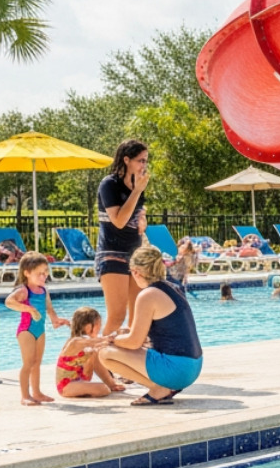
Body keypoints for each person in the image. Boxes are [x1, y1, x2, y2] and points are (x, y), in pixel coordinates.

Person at [98, 246, 204, 406]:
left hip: (177, 369)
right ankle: (163, 388)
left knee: (105, 353)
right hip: (193, 366)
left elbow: (134, 342)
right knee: (120, 344)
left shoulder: (148, 295)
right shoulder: (171, 288)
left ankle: (158, 388)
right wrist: (123, 336)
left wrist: (111, 340)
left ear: (135, 272)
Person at [96, 139, 149, 335]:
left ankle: (125, 361)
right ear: (127, 160)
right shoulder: (109, 184)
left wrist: (142, 218)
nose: (144, 165)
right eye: (140, 160)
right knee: (117, 316)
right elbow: (118, 220)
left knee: (137, 316)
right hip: (112, 253)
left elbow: (137, 216)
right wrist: (136, 192)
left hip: (134, 253)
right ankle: (99, 363)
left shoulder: (138, 185)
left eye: (145, 161)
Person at [5, 252, 69, 406]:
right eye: (39, 273)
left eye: (45, 272)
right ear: (27, 273)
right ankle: (25, 395)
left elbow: (49, 308)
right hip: (26, 330)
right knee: (28, 363)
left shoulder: (44, 290)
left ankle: (37, 392)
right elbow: (8, 301)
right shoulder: (24, 290)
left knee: (37, 362)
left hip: (40, 330)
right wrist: (29, 309)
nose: (43, 276)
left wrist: (55, 320)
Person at [55, 307, 125, 399]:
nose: (100, 328)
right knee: (103, 389)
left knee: (94, 353)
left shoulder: (89, 343)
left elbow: (96, 349)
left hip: (82, 381)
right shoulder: (74, 342)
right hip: (67, 386)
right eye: (98, 325)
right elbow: (90, 342)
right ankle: (92, 390)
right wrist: (110, 338)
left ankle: (111, 384)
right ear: (88, 327)